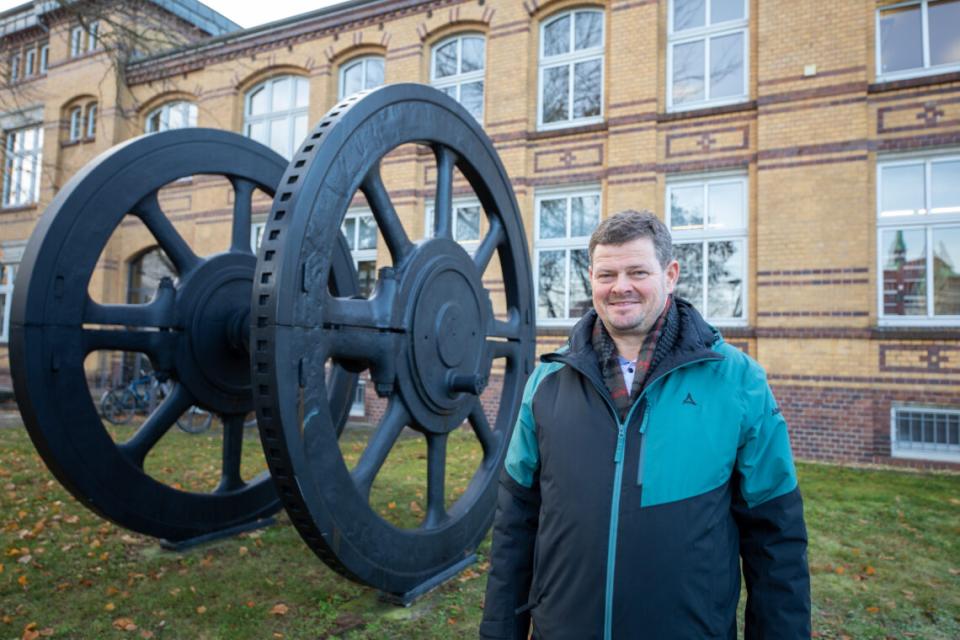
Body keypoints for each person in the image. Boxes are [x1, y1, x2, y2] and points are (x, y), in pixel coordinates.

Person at [479, 210, 810, 639]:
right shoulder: (546, 383)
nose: (620, 287)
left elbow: (777, 543)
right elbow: (514, 530)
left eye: (638, 271)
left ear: (670, 274)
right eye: (606, 274)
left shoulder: (738, 383)